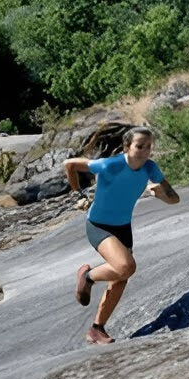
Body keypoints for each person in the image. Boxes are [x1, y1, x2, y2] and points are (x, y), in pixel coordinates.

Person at [64, 126, 180, 343]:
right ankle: (87, 277)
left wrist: (160, 195)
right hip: (99, 225)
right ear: (127, 147)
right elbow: (70, 165)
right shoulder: (110, 165)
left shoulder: (150, 168)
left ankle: (97, 328)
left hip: (123, 228)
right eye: (139, 146)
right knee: (126, 266)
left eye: (148, 147)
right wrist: (77, 194)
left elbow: (175, 199)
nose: (145, 151)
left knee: (120, 277)